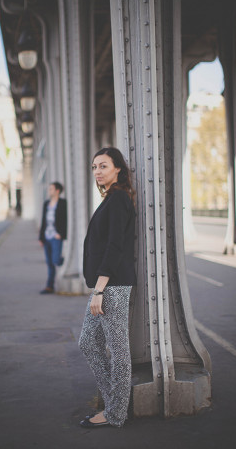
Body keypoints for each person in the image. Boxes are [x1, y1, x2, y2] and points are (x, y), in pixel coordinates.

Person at [78, 146, 136, 428]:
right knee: (88, 342)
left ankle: (115, 413)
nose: (97, 172)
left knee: (119, 350)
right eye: (94, 167)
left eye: (103, 166)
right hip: (106, 286)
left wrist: (99, 290)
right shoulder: (112, 198)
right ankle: (115, 400)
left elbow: (114, 247)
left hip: (112, 286)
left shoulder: (118, 200)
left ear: (117, 169)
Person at [38, 182, 67, 294]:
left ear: (57, 191)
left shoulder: (63, 203)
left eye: (51, 189)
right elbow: (43, 221)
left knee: (55, 260)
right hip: (46, 236)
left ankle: (64, 259)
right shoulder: (46, 204)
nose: (49, 191)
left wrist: (61, 234)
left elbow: (65, 220)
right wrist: (41, 237)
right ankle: (49, 286)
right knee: (49, 263)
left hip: (56, 236)